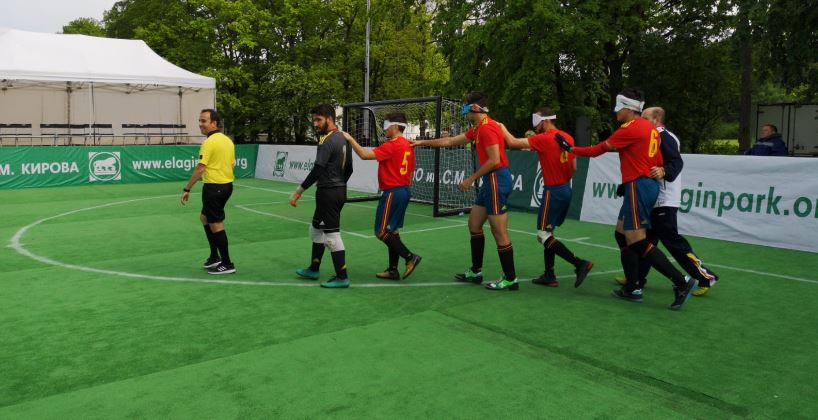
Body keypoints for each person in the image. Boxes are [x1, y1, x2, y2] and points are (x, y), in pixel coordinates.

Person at [554, 88, 696, 310]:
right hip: (642, 185)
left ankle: (681, 282)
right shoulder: (650, 128)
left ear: (629, 109)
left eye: (619, 107)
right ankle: (633, 286)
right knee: (621, 234)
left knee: (637, 240)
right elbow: (654, 158)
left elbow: (598, 150)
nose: (615, 111)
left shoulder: (628, 128)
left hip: (638, 186)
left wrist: (571, 148)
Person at [411, 91, 518, 291]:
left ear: (475, 108)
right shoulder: (478, 129)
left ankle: (510, 278)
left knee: (499, 232)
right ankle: (476, 272)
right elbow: (450, 141)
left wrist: (470, 179)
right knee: (474, 224)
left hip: (496, 180)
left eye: (466, 107)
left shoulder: (487, 129)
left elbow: (494, 160)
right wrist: (422, 142)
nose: (464, 111)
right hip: (490, 181)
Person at [613, 107, 719, 296]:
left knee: (673, 243)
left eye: (645, 118)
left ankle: (706, 277)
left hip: (664, 200)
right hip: (653, 199)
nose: (641, 121)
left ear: (657, 119)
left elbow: (676, 162)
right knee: (645, 242)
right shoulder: (650, 134)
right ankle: (636, 279)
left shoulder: (663, 135)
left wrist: (664, 171)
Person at [499, 107, 593, 288]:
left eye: (537, 121)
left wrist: (500, 126)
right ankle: (549, 274)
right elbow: (573, 166)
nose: (535, 126)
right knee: (549, 232)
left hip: (553, 190)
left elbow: (512, 142)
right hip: (565, 188)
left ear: (544, 120)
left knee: (543, 235)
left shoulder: (543, 138)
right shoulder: (568, 137)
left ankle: (579, 263)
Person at [342, 112, 422, 280]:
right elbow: (411, 170)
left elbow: (364, 155)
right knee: (393, 231)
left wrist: (349, 138)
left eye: (385, 125)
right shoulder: (408, 144)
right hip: (404, 190)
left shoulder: (392, 145)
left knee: (380, 231)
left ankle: (409, 257)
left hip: (392, 191)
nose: (383, 129)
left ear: (394, 126)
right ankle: (393, 270)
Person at [289, 104, 354, 288]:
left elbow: (318, 168)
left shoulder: (327, 140)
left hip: (329, 192)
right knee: (316, 229)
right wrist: (340, 183)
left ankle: (342, 277)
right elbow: (350, 167)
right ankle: (314, 268)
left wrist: (298, 191)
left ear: (329, 119)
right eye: (314, 120)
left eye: (318, 120)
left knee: (332, 235)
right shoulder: (343, 138)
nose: (315, 124)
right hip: (336, 190)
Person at [181, 109, 236, 275]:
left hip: (214, 187)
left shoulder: (209, 142)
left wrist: (187, 188)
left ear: (214, 123)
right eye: (199, 120)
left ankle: (227, 263)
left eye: (204, 121)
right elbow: (232, 163)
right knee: (204, 217)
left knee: (216, 223)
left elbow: (200, 168)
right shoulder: (227, 141)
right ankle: (215, 256)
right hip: (226, 186)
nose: (200, 124)